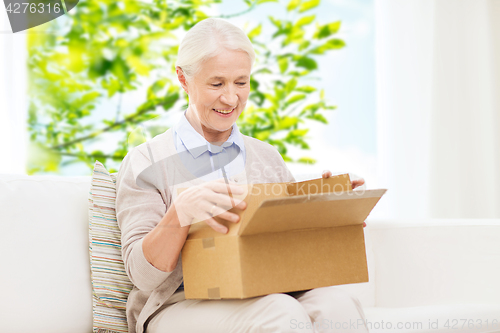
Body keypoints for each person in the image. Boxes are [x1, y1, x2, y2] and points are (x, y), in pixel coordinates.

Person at [115, 17, 368, 333]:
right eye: (217, 83)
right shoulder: (146, 160)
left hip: (267, 290)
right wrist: (180, 213)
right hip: (177, 305)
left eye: (241, 82)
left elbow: (295, 246)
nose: (231, 98)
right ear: (182, 78)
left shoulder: (265, 155)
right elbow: (143, 275)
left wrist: (332, 210)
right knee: (278, 311)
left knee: (337, 305)